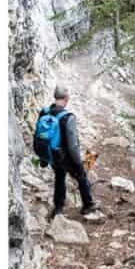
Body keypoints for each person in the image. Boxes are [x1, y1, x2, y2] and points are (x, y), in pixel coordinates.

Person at [39, 83, 99, 217]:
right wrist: (78, 163)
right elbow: (72, 146)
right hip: (64, 156)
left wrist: (43, 158)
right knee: (81, 175)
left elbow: (40, 136)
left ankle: (58, 208)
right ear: (66, 98)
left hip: (51, 155)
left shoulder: (44, 112)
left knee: (59, 177)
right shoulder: (68, 117)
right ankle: (88, 205)